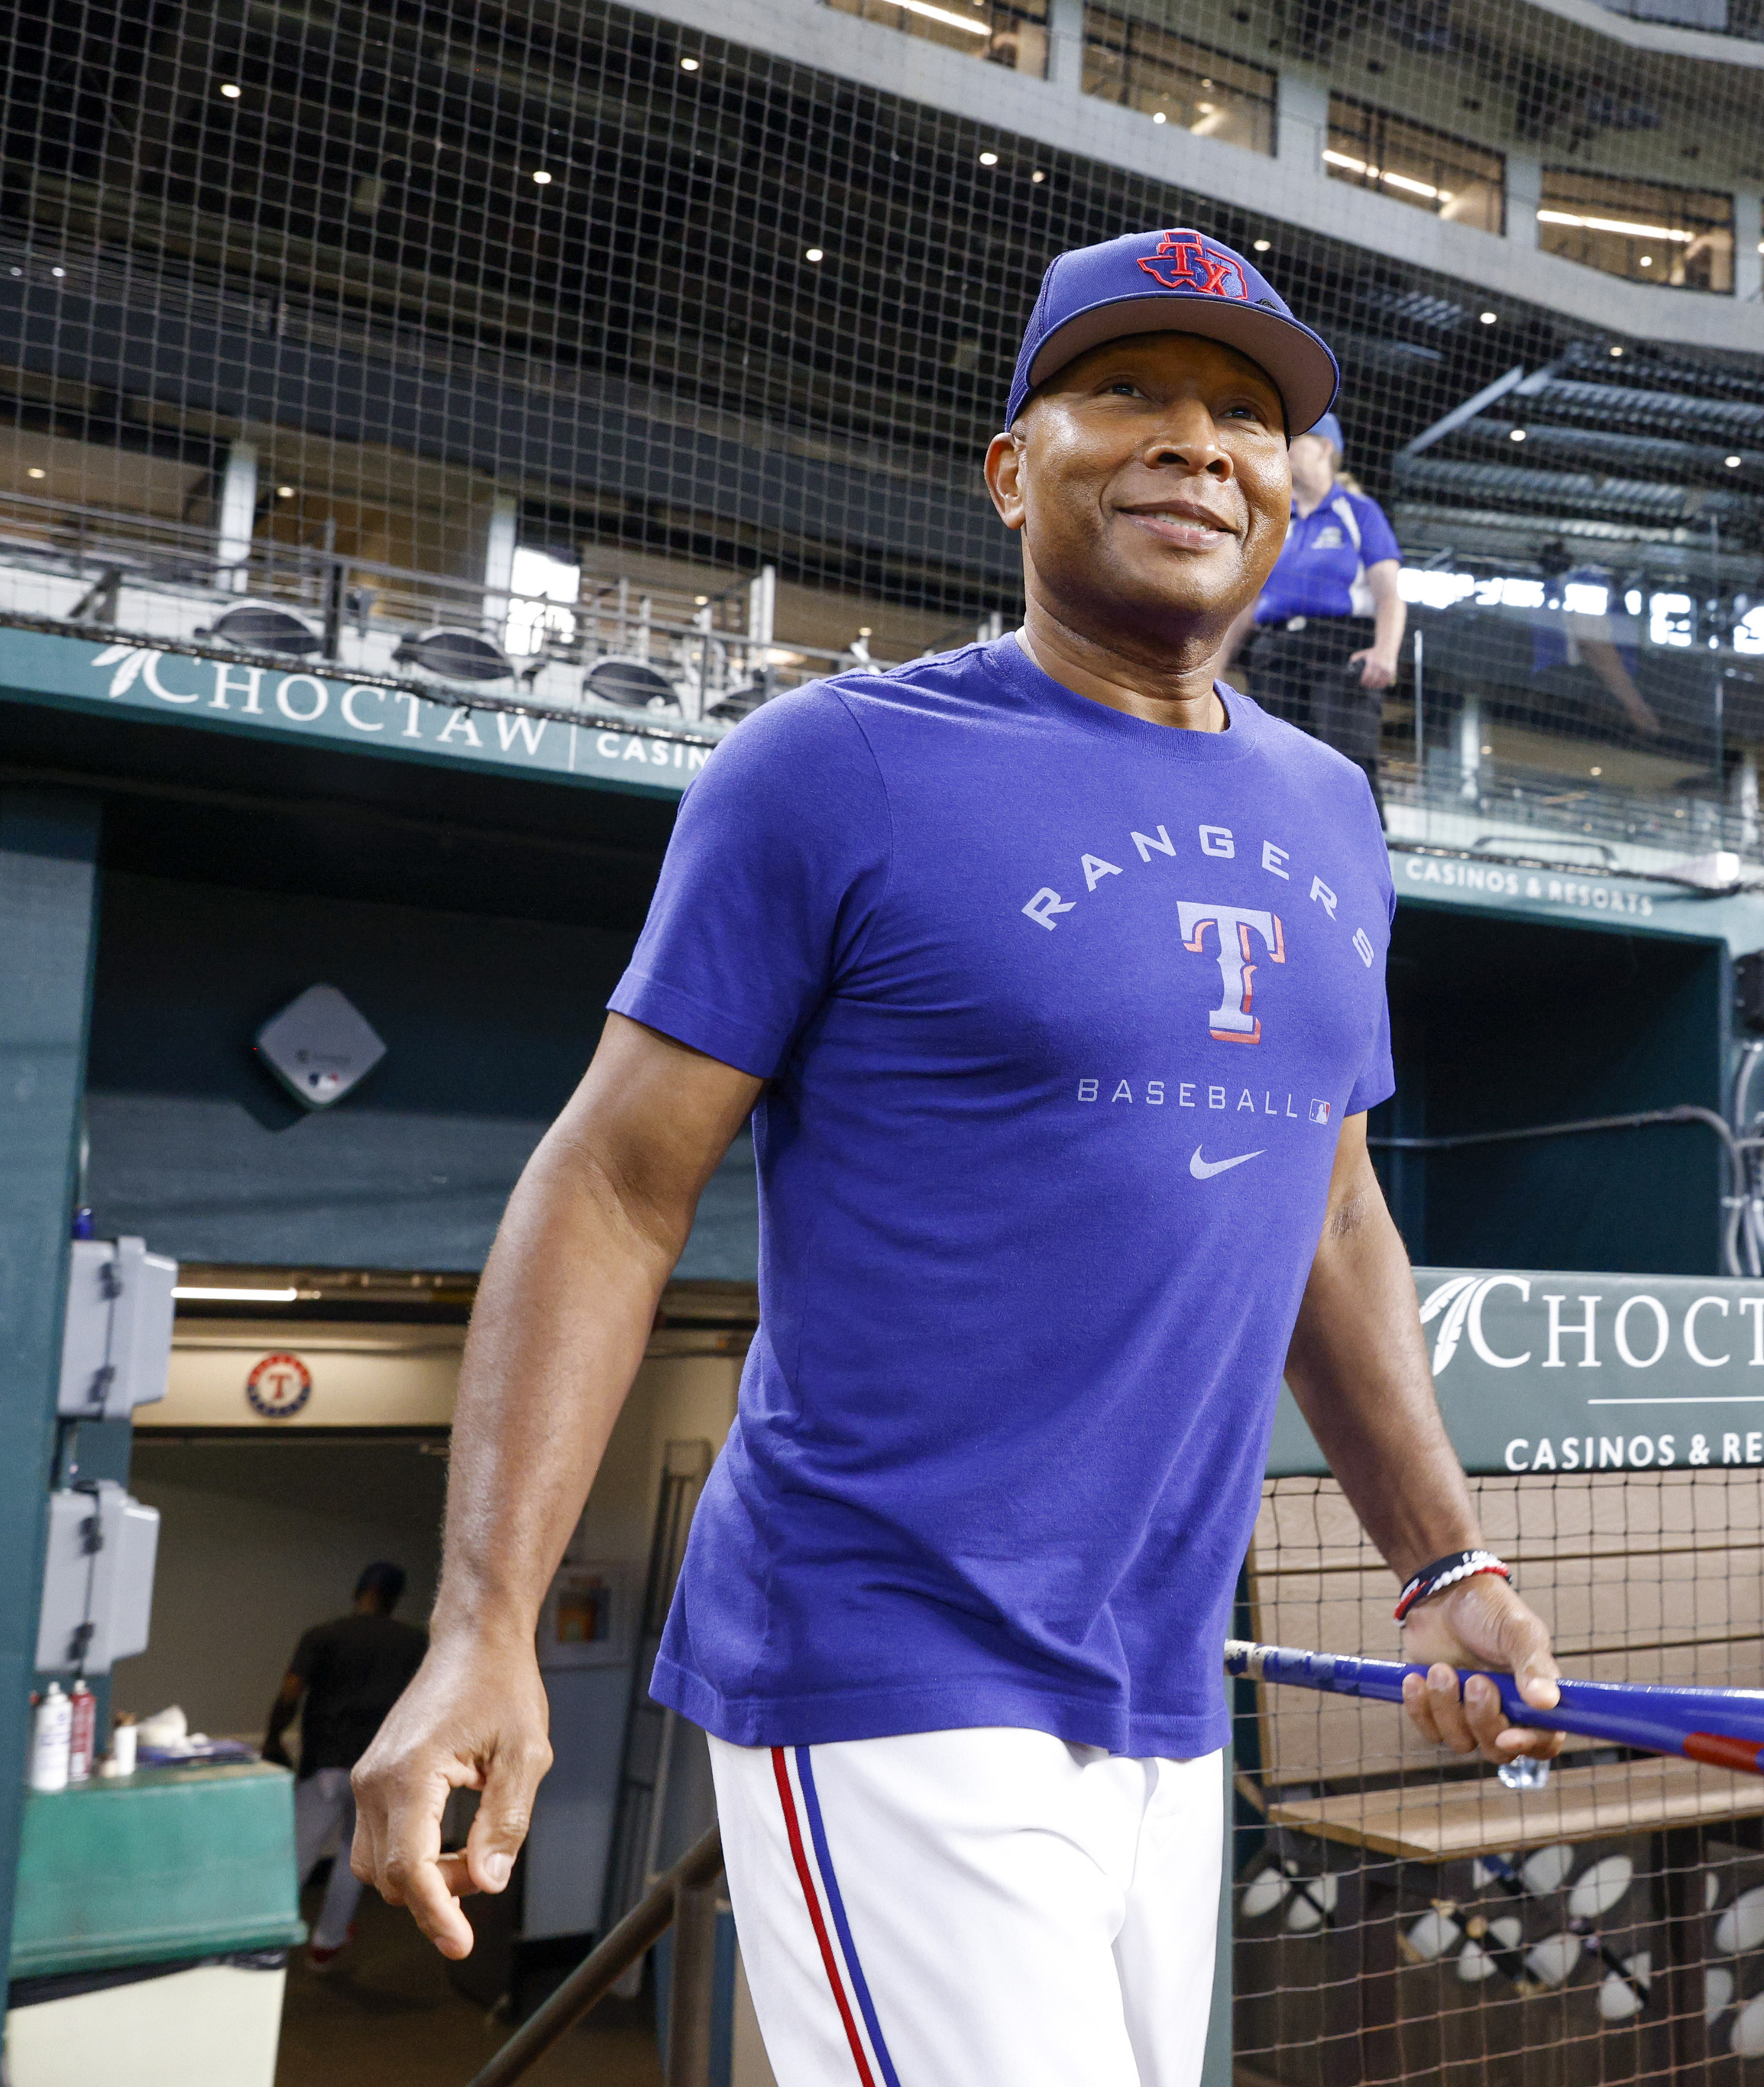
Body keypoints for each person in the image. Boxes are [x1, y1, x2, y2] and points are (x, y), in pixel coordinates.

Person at [348, 228, 1561, 2087]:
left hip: (1161, 1688)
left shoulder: (1330, 811)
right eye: (1128, 394)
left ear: (1295, 491)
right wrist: (487, 1626)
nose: (1196, 442)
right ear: (1012, 470)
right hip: (885, 1652)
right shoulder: (834, 764)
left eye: (1246, 412)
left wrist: (1440, 1562)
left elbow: (1328, 1214)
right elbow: (612, 1183)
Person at [264, 1561, 428, 1967]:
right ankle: (327, 1942)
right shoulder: (414, 1643)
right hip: (380, 1767)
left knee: (297, 1856)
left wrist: (272, 1737)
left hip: (324, 1761)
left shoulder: (322, 1636)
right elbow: (425, 1706)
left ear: (358, 1592)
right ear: (394, 1598)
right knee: (356, 1859)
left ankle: (266, 1944)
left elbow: (290, 1693)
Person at [1240, 411, 1403, 788]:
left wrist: (1386, 653)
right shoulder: (1277, 521)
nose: (1284, 450)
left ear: (1325, 447)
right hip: (1275, 651)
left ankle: (1360, 846)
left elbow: (1390, 595)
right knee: (1270, 768)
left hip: (1339, 650)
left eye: (1295, 441)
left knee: (1344, 767)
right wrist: (1214, 666)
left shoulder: (1360, 512)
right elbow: (1248, 603)